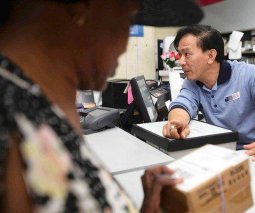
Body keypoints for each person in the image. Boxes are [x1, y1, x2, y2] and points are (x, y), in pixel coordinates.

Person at [0, 0, 203, 212]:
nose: (125, 45)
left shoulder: (37, 105)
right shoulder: (10, 114)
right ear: (82, 6)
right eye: (129, 19)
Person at [162, 25, 255, 163]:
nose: (180, 61)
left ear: (211, 56)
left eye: (187, 54)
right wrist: (177, 122)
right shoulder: (193, 82)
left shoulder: (246, 74)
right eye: (179, 54)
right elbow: (182, 104)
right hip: (224, 153)